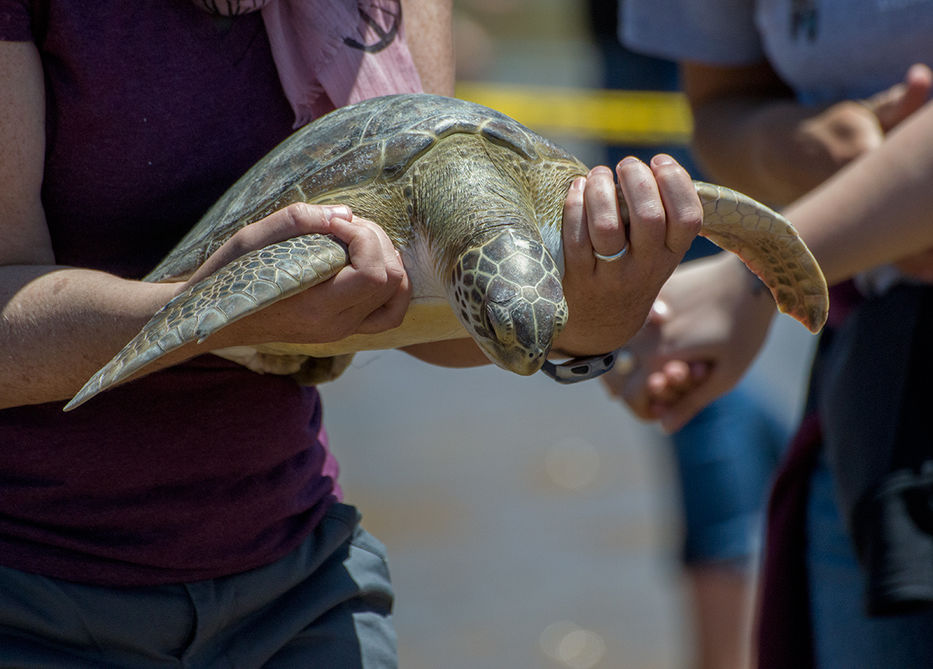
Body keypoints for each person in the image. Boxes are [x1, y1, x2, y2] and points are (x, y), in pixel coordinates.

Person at [0, 2, 703, 666]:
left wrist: (588, 323)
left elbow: (431, 325)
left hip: (298, 577)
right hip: (36, 592)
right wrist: (203, 310)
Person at [617, 2, 933, 667]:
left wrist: (755, 280)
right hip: (875, 382)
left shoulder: (753, 283)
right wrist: (808, 146)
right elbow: (723, 104)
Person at [587, 3, 788, 668]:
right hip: (641, 64)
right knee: (691, 378)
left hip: (685, 71)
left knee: (679, 373)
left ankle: (720, 656)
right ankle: (808, 476)